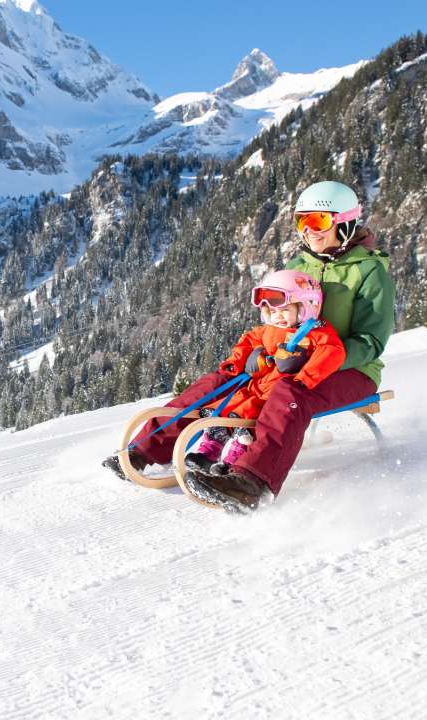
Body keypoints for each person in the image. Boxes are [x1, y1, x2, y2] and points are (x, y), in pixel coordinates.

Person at [103, 180, 395, 513]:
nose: (309, 230)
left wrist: (311, 360)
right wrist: (257, 353)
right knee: (221, 381)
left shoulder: (370, 273)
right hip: (285, 361)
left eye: (319, 221)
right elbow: (274, 322)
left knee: (290, 393)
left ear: (344, 222)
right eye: (302, 221)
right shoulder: (299, 266)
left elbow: (371, 342)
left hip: (350, 370)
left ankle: (251, 481)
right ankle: (146, 450)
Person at [184, 270, 346, 479]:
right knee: (226, 411)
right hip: (256, 386)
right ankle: (207, 453)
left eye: (285, 310)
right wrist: (238, 362)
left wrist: (304, 377)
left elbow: (332, 352)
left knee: (246, 424)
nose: (278, 316)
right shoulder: (270, 329)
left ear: (306, 307)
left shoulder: (316, 331)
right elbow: (249, 340)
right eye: (272, 311)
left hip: (277, 392)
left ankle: (233, 465)